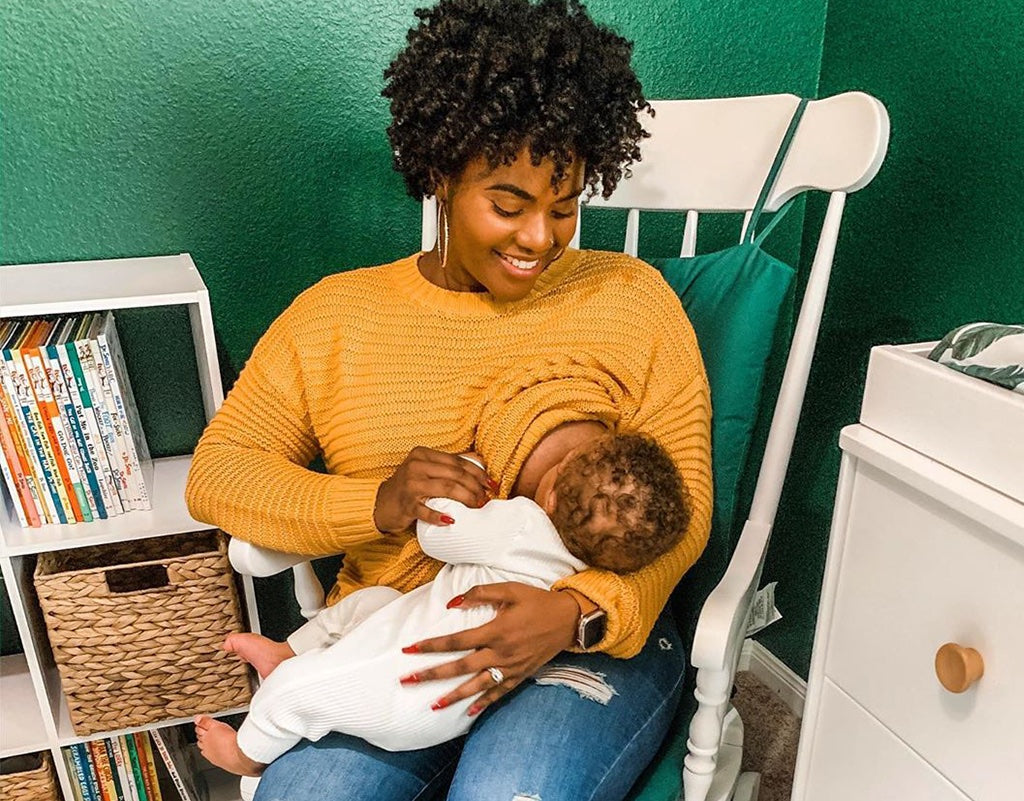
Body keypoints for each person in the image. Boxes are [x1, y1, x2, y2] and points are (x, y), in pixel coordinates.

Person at [184, 1, 712, 798]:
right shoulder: (336, 316)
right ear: (439, 172)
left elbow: (687, 504)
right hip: (395, 644)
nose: (541, 237)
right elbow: (217, 476)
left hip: (586, 636)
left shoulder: (630, 300)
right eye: (508, 203)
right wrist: (380, 503)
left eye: (563, 206)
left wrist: (577, 611)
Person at [194, 432, 690, 775]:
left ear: (554, 493)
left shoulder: (522, 522)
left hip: (403, 686)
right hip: (442, 700)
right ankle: (292, 650)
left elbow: (436, 534)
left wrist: (467, 471)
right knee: (377, 602)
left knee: (289, 693)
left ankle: (246, 752)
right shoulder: (583, 571)